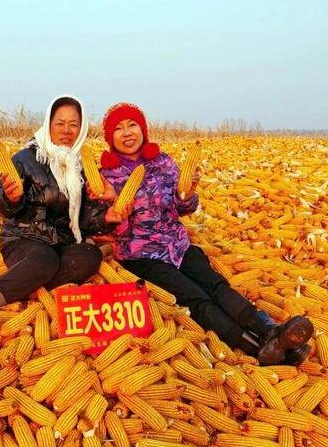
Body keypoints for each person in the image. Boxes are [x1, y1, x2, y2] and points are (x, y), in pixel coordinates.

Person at [97, 102, 313, 366]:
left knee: (216, 285)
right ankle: (256, 348)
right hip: (141, 255)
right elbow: (102, 225)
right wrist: (115, 211)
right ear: (110, 138)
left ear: (143, 130)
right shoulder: (105, 177)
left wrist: (187, 195)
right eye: (118, 129)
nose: (127, 133)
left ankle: (270, 330)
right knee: (196, 298)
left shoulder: (163, 163)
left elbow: (184, 207)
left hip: (176, 244)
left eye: (132, 125)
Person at [0, 95, 129, 335]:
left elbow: (84, 217)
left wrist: (106, 218)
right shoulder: (24, 159)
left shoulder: (80, 167)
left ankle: (25, 286)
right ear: (48, 124)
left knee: (90, 256)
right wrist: (11, 198)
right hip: (23, 239)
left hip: (61, 243)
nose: (66, 130)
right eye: (60, 123)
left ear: (82, 128)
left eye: (73, 124)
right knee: (44, 260)